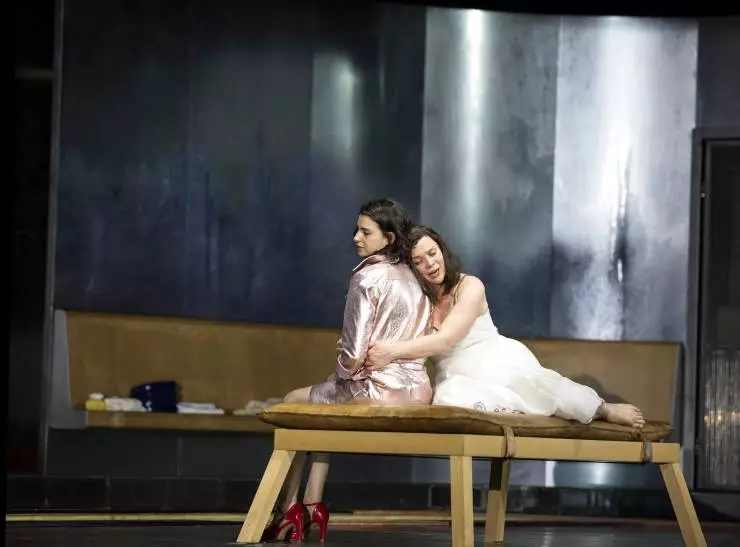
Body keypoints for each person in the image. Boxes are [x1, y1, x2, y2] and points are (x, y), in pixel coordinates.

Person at [262, 199, 433, 543]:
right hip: (419, 391)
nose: (356, 237)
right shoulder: (415, 277)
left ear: (388, 237)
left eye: (365, 232)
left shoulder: (367, 277)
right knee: (324, 402)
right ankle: (313, 503)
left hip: (379, 391)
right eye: (357, 230)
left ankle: (289, 508)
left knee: (292, 402)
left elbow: (353, 357)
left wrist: (342, 367)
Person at [365, 225, 645, 429]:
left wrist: (390, 352)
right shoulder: (417, 302)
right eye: (418, 262)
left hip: (495, 360)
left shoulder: (469, 285)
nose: (430, 264)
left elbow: (446, 340)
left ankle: (602, 408)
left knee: (536, 387)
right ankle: (520, 410)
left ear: (442, 250)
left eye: (432, 253)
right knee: (449, 396)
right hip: (456, 377)